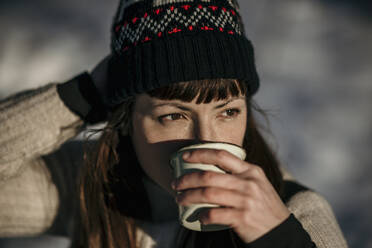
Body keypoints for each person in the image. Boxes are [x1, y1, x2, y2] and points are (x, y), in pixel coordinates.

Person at [0, 0, 348, 247]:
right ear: (124, 118)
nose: (205, 142)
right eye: (173, 116)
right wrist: (83, 95)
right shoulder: (91, 186)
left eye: (228, 112)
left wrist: (279, 239)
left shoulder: (296, 211)